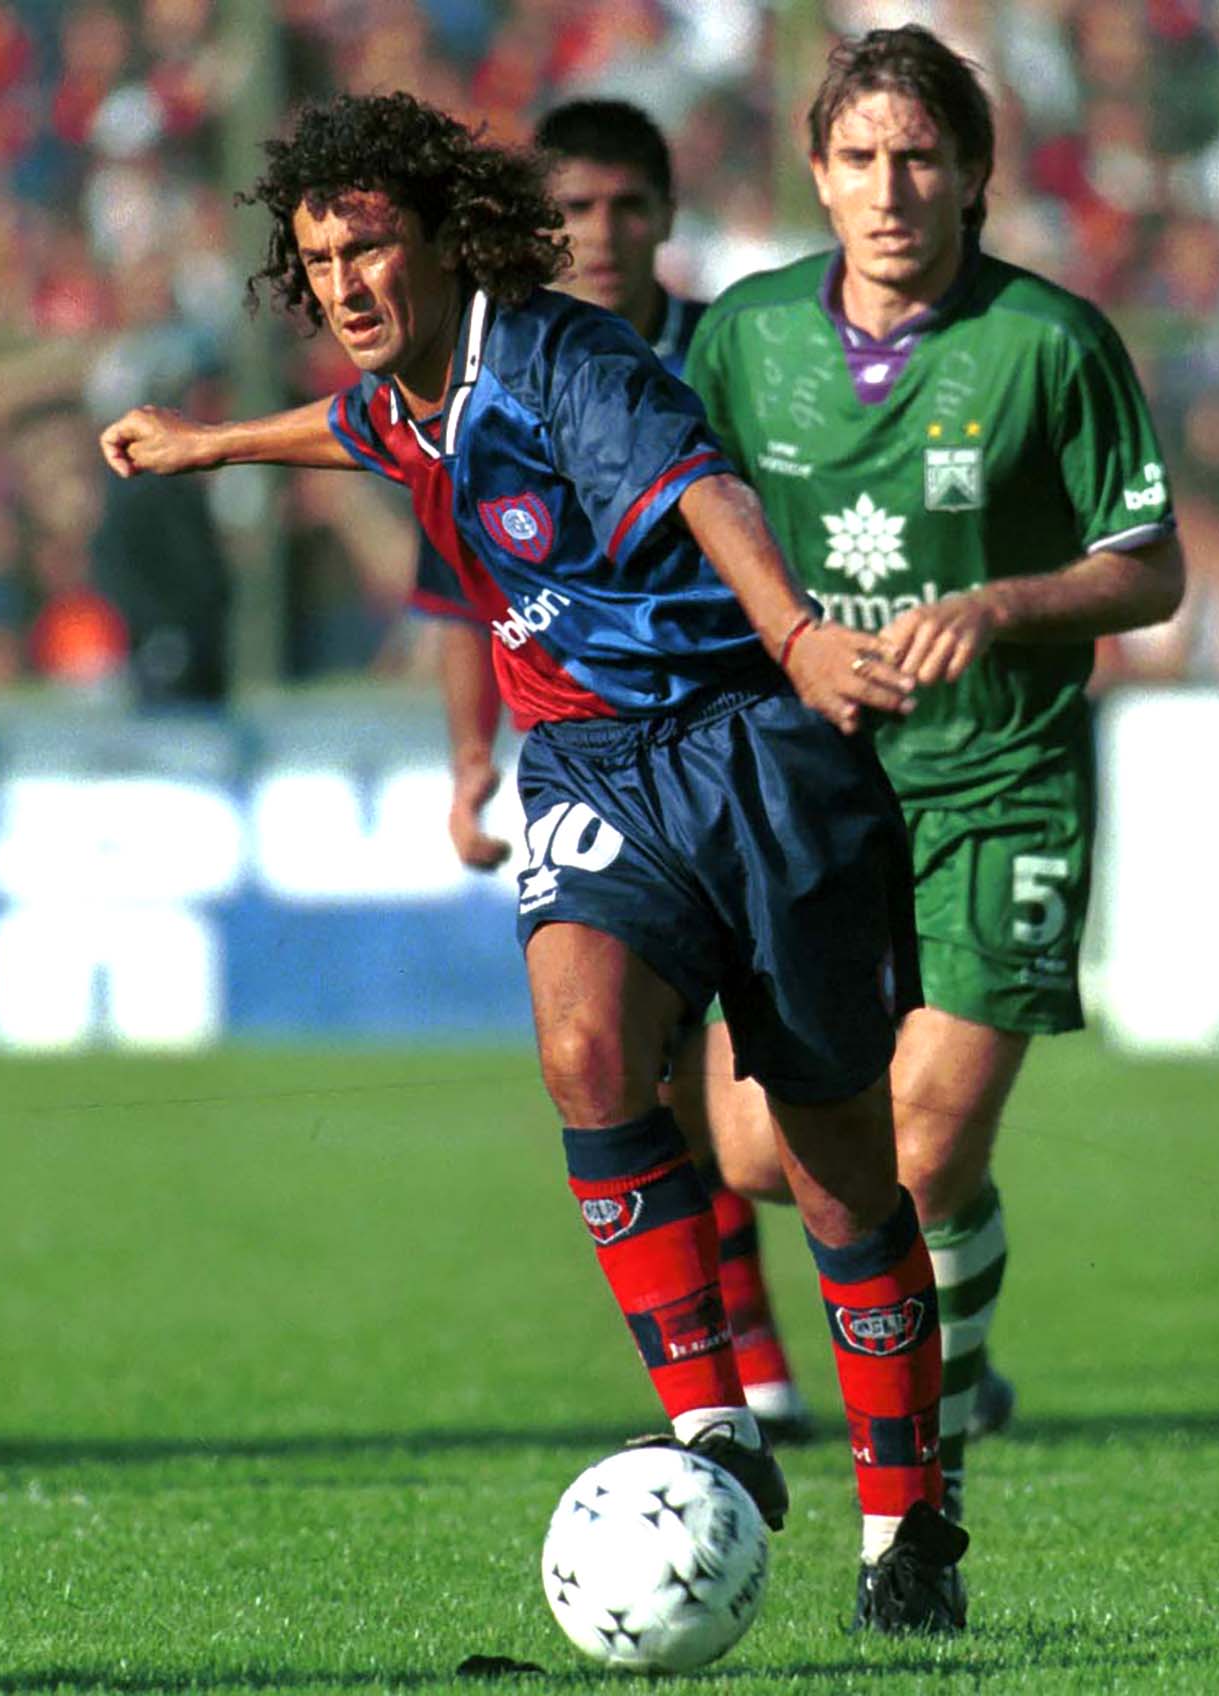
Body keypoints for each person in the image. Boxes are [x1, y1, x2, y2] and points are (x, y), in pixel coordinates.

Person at [99, 91, 974, 1632]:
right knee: (585, 1053)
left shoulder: (567, 362)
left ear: (447, 242)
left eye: (370, 249)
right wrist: (213, 444)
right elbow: (360, 431)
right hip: (589, 763)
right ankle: (711, 1425)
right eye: (319, 262)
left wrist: (796, 640)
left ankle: (908, 1531)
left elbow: (706, 493)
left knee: (837, 1173)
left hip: (756, 752)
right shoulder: (412, 391)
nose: (345, 285)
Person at [678, 23, 1186, 1544]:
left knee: (918, 1147)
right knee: (756, 1153)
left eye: (919, 158)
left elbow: (1150, 567)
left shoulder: (1049, 342)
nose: (890, 189)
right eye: (860, 158)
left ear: (972, 173)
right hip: (808, 783)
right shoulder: (745, 337)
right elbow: (687, 515)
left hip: (1001, 781)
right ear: (816, 174)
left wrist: (1003, 605)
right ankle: (959, 1269)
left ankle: (924, 1487)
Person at [435, 97, 817, 1445]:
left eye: (625, 206)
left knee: (788, 1122)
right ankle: (744, 1375)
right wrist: (471, 761)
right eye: (574, 210)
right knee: (632, 1062)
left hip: (761, 745)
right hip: (607, 768)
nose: (600, 234)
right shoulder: (490, 378)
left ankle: (934, 1279)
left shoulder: (736, 356)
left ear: (665, 216)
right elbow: (465, 589)